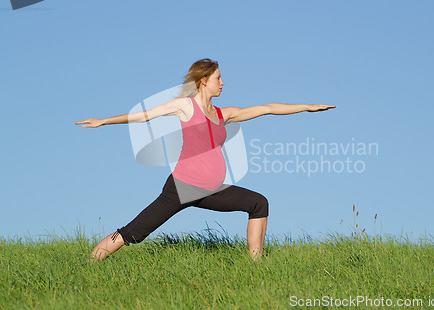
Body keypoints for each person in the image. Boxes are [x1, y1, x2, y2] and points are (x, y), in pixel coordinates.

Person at [75, 58, 335, 262]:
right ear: (203, 80)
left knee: (258, 203)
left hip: (211, 190)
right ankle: (88, 266)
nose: (223, 83)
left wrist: (307, 107)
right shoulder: (186, 106)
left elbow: (266, 108)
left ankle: (256, 265)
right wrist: (103, 121)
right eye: (218, 78)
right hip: (181, 188)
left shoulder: (224, 114)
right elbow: (145, 116)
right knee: (133, 232)